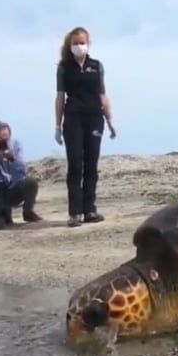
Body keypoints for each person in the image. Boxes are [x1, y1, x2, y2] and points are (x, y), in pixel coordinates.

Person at [55, 26, 116, 228]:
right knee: (75, 164)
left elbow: (103, 95)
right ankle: (75, 213)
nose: (79, 46)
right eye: (75, 43)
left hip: (94, 117)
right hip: (73, 118)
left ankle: (90, 209)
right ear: (69, 45)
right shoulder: (64, 67)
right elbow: (60, 97)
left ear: (88, 44)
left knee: (91, 164)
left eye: (82, 42)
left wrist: (110, 120)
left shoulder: (96, 66)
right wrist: (57, 124)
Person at [0, 121, 42, 231]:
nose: (3, 141)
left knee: (31, 182)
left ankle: (28, 212)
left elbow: (23, 170)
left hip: (14, 189)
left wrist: (12, 158)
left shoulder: (15, 144)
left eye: (5, 137)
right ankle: (4, 215)